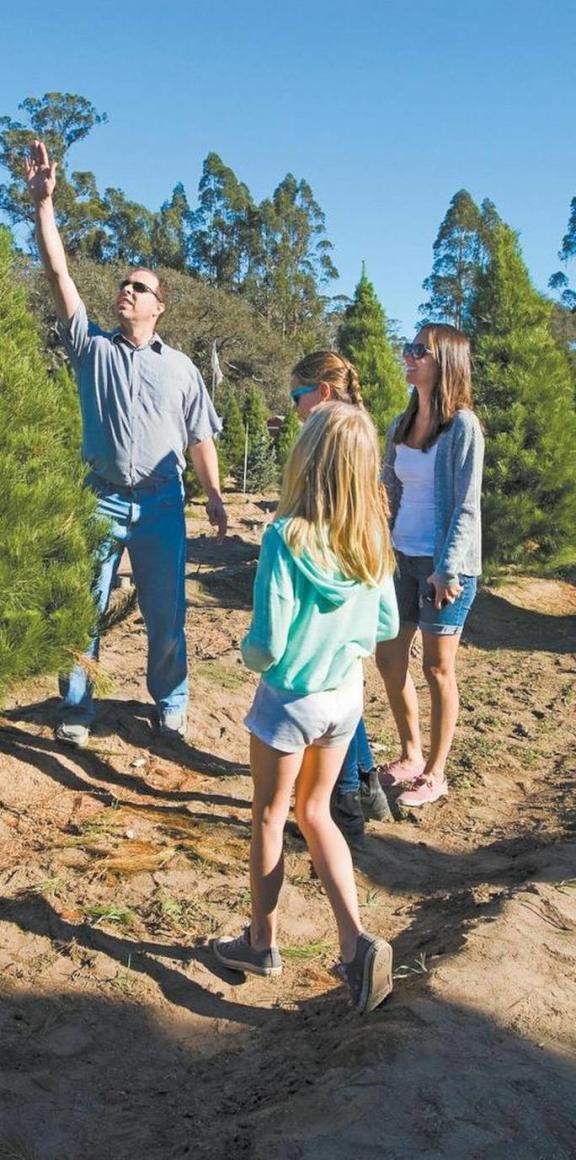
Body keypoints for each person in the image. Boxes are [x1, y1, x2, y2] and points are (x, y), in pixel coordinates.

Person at [25, 140, 227, 748]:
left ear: (159, 306)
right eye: (122, 284)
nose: (126, 291)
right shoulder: (93, 349)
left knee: (166, 615)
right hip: (101, 499)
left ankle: (171, 702)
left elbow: (199, 436)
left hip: (163, 503)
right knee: (81, 611)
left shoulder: (183, 369)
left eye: (139, 287)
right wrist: (44, 207)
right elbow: (59, 273)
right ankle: (76, 708)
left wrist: (215, 495)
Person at [213, 403, 397, 1013]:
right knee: (316, 812)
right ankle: (354, 943)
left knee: (269, 818)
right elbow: (389, 623)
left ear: (307, 461)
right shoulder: (374, 536)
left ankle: (261, 942)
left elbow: (267, 643)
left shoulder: (286, 538)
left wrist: (250, 656)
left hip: (290, 700)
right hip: (345, 696)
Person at [375, 324, 484, 807]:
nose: (409, 356)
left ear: (446, 363)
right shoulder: (402, 421)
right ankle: (410, 754)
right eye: (409, 348)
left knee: (438, 669)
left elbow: (466, 506)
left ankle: (436, 774)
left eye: (421, 351)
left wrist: (448, 569)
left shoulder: (463, 426)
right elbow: (388, 490)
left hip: (445, 567)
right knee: (389, 659)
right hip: (401, 559)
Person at [289, 352, 392, 839]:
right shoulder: (360, 430)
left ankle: (344, 805)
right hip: (361, 590)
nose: (294, 409)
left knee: (330, 691)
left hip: (334, 583)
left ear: (322, 394)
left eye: (297, 396)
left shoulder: (333, 439)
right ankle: (369, 786)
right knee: (345, 692)